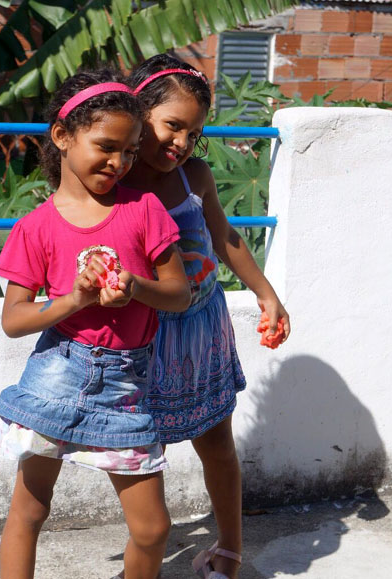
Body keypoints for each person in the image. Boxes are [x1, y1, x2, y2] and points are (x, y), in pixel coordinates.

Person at [0, 68, 191, 579]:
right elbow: (14, 319)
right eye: (106, 147)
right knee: (30, 510)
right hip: (57, 373)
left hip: (126, 384)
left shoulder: (144, 209)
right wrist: (74, 298)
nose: (119, 162)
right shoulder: (35, 228)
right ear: (62, 136)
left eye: (130, 151)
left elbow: (179, 295)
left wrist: (135, 288)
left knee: (152, 529)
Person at [125, 54, 291, 579]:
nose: (182, 142)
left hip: (202, 332)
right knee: (140, 454)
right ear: (138, 112)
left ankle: (230, 550)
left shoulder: (194, 176)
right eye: (172, 125)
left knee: (217, 443)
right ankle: (143, 557)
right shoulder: (114, 182)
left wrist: (266, 293)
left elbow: (225, 237)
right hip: (142, 338)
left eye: (193, 134)